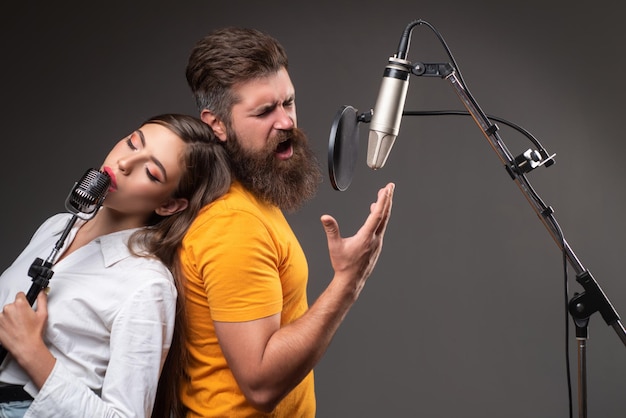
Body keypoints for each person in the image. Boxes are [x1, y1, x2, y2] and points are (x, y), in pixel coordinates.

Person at [180, 27, 395, 417]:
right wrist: (349, 280)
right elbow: (260, 384)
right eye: (264, 112)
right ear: (217, 124)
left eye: (289, 102)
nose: (286, 122)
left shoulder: (254, 192)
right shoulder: (232, 225)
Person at [0, 113, 231, 418]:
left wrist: (33, 353)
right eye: (133, 143)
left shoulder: (148, 284)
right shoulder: (56, 227)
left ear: (169, 205)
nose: (124, 163)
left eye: (151, 172)